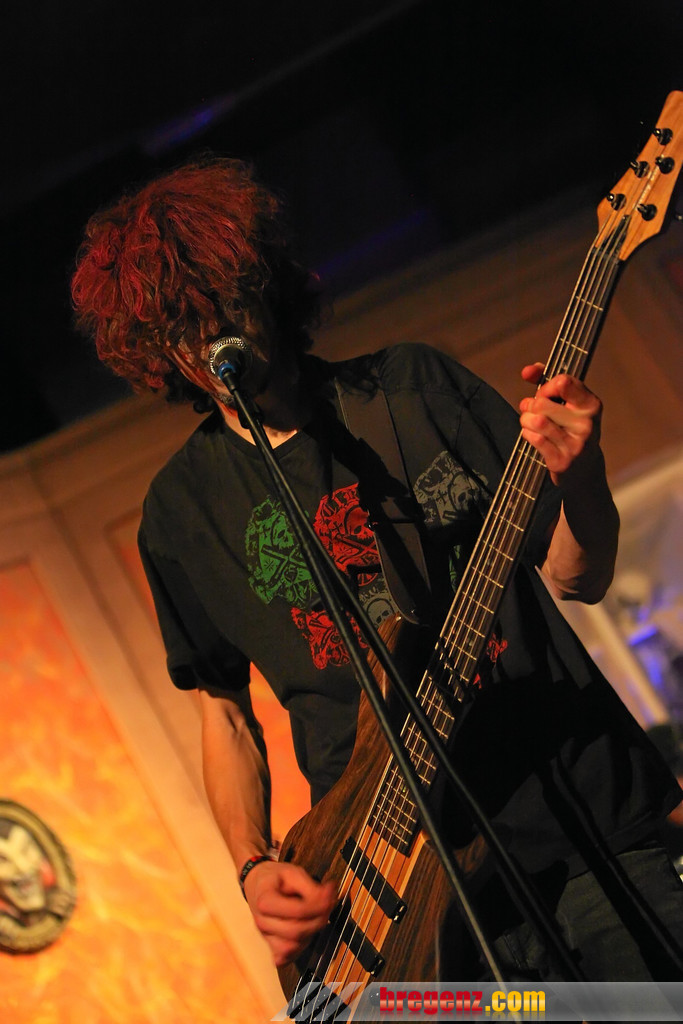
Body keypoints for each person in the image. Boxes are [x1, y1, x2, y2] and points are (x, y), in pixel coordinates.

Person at [71, 156, 683, 983]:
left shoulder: (411, 389)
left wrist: (579, 477)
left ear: (265, 285)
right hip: (390, 893)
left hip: (583, 831)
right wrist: (252, 866)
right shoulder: (179, 513)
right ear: (156, 352)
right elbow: (223, 713)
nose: (210, 338)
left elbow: (578, 577)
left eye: (223, 301)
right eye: (180, 326)